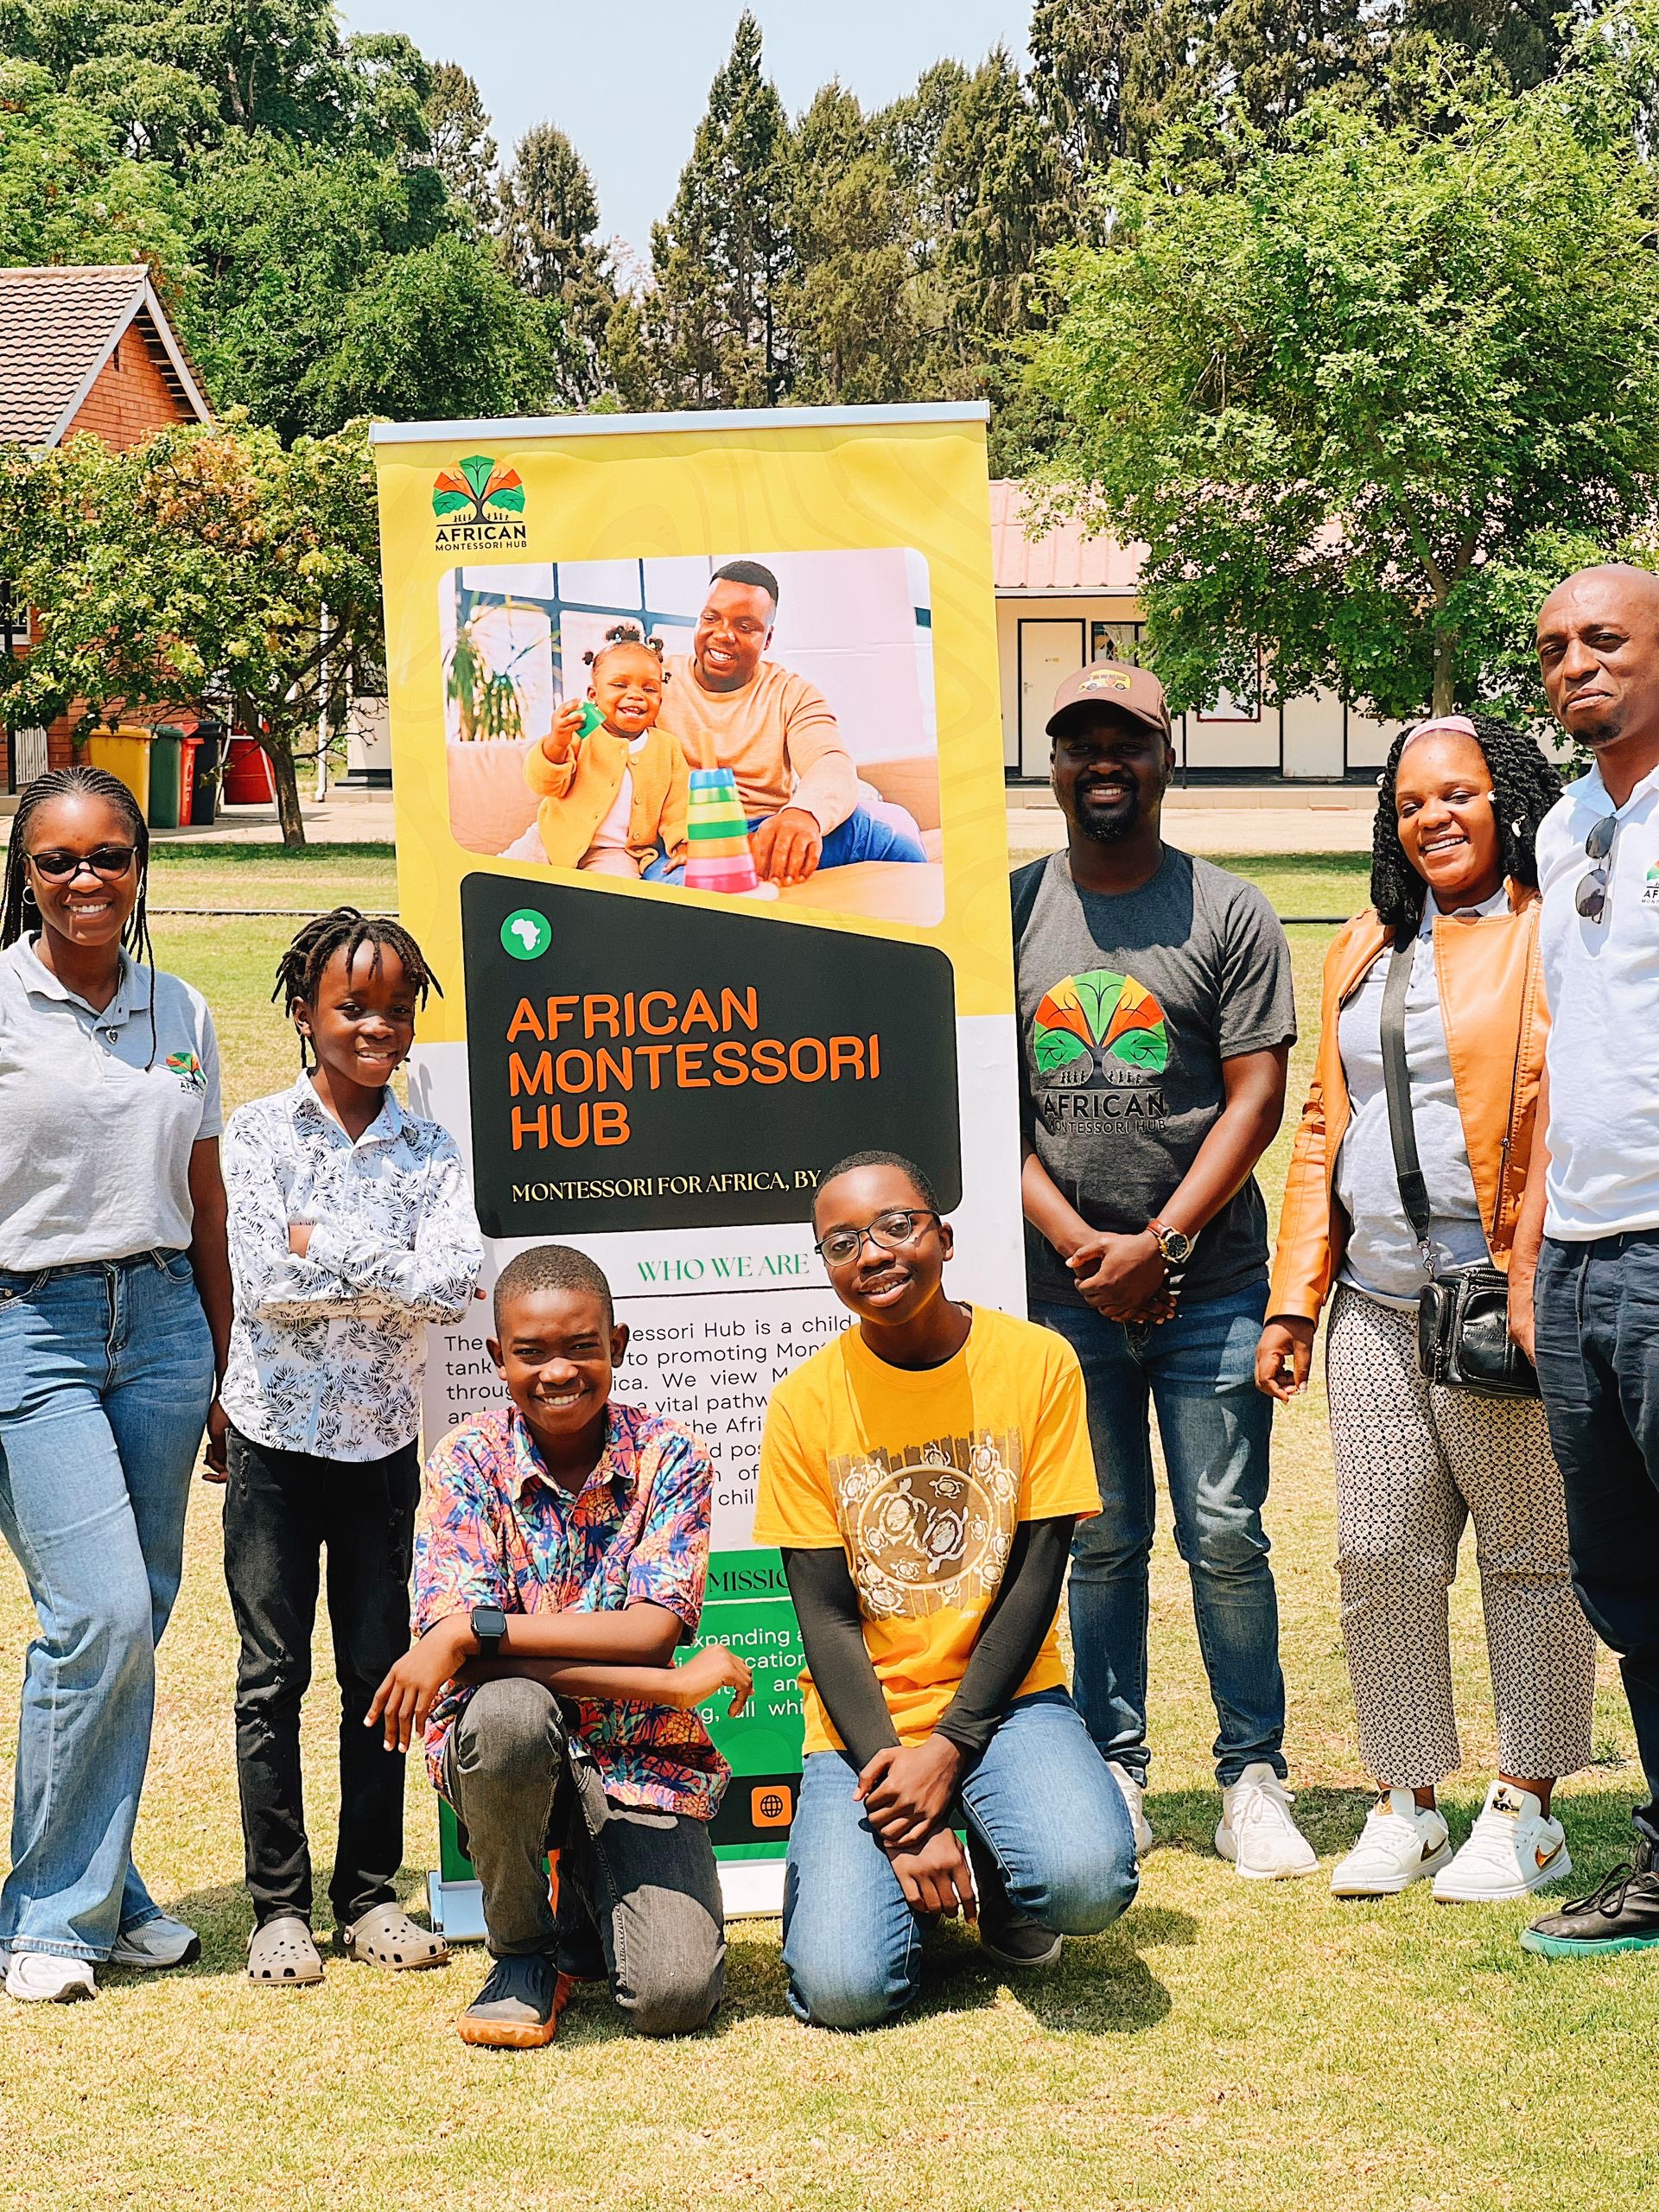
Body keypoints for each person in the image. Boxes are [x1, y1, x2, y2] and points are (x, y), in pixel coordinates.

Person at [1258, 715, 1595, 1902]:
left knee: (1528, 1556)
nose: (1433, 818)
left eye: (1458, 794)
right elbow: (1323, 1126)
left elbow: (1568, 1111)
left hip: (1498, 1299)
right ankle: (1406, 1802)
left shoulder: (1550, 931)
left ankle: (1530, 1807)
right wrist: (1295, 1300)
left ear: (1507, 800)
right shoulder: (1364, 941)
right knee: (1379, 1553)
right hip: (1374, 1302)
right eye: (1409, 803)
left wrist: (1539, 1275)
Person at [1014, 659, 1315, 1878]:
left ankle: (1253, 1775)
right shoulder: (1010, 910)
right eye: (1080, 744)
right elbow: (984, 1107)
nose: (1104, 763)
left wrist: (1165, 1245)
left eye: (1126, 743)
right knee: (1099, 1540)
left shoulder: (1229, 911)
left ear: (1164, 761)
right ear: (1051, 767)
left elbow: (1256, 1097)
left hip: (1214, 1286)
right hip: (1063, 1293)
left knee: (1226, 1533)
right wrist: (1084, 1247)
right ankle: (1115, 1771)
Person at [753, 1150, 1139, 2031]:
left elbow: (1037, 1576)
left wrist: (954, 1745)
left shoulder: (1037, 1363)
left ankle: (1007, 1883)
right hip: (868, 1726)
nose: (874, 1253)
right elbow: (826, 1618)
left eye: (898, 1226)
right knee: (844, 1991)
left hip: (1007, 1702)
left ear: (945, 1237)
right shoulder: (804, 1403)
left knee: (1085, 1882)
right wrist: (907, 1818)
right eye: (843, 1242)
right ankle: (904, 1893)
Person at [369, 1243, 739, 2048]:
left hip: (640, 1756)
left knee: (674, 1998)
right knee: (507, 1713)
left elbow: (650, 1633)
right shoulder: (467, 1460)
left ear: (619, 1346)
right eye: (531, 1353)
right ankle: (522, 1953)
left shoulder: (671, 1456)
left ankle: (581, 1913)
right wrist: (665, 1685)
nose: (558, 1371)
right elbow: (478, 1670)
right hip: (510, 1751)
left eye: (582, 1347)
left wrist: (470, 1633)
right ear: (497, 1357)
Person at [0, 764, 231, 2004]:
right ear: (24, 873)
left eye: (110, 856)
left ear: (142, 867)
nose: (85, 879)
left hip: (163, 1327)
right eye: (57, 859)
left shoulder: (178, 1007)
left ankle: (107, 1886)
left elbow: (205, 1198)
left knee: (136, 1617)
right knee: (95, 1615)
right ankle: (50, 1918)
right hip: (27, 1328)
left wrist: (226, 1361)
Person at [219, 907, 483, 1986]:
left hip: (381, 1450)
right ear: (304, 1011)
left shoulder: (432, 1148)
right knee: (272, 1677)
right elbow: (265, 1288)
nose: (377, 1026)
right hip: (273, 1447)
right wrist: (384, 1266)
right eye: (352, 1006)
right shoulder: (257, 1135)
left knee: (379, 1674)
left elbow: (454, 1284)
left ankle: (369, 1894)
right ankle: (279, 1907)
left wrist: (321, 1237)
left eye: (396, 1008)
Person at [1514, 563, 1659, 1958]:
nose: (1578, 664)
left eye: (1607, 639)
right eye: (1558, 647)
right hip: (1578, 1256)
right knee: (1626, 1578)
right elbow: (1562, 1050)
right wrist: (1532, 1252)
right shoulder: (1566, 827)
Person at [662, 560, 926, 886]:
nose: (724, 635)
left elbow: (829, 761)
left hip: (769, 834)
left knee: (895, 833)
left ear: (767, 638)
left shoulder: (791, 693)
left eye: (745, 627)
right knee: (696, 892)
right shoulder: (653, 681)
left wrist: (803, 813)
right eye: (711, 618)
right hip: (685, 843)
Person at [503, 624, 690, 878]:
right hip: (552, 838)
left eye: (649, 689)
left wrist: (683, 845)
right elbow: (544, 783)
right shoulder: (581, 732)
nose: (636, 695)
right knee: (498, 878)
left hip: (616, 852)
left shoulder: (667, 748)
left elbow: (677, 809)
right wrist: (557, 742)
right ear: (593, 695)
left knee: (616, 894)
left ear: (660, 699)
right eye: (620, 685)